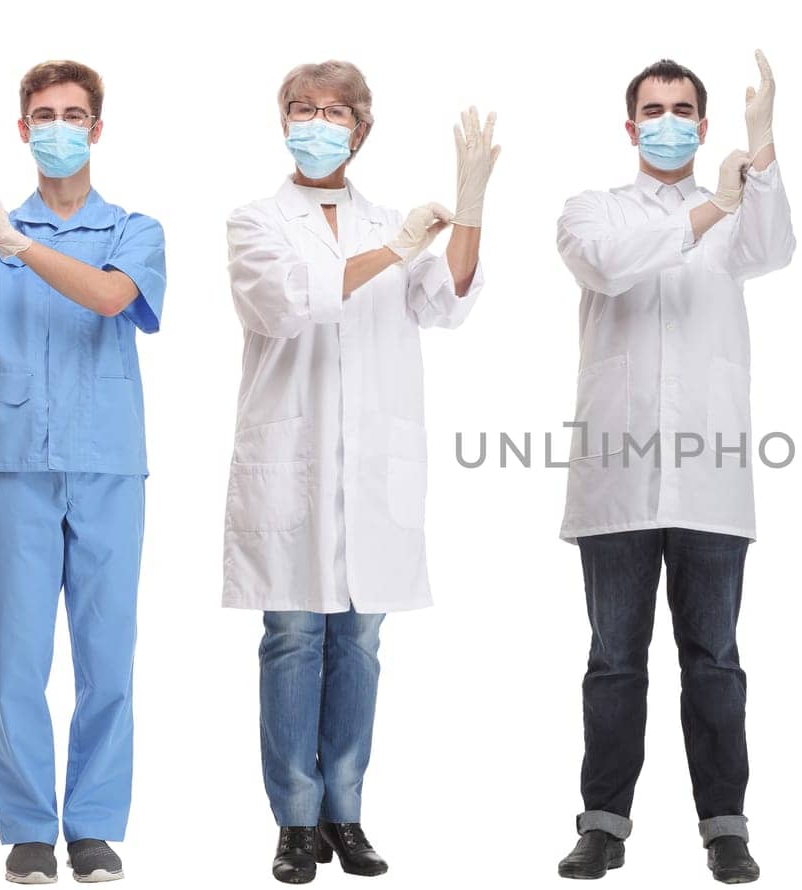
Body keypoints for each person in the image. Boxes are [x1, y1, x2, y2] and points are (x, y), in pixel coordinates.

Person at [220, 60, 497, 885]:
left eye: (333, 111)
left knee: (362, 645)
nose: (315, 121)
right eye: (301, 108)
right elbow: (286, 303)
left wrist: (470, 208)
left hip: (374, 472)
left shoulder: (386, 219)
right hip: (292, 467)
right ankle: (295, 822)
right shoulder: (255, 222)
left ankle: (346, 811)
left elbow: (445, 301)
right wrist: (400, 245)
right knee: (294, 639)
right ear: (282, 123)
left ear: (361, 129)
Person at [553, 51, 794, 885]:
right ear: (630, 126)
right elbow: (607, 265)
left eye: (683, 108)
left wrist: (761, 155)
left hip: (712, 477)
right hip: (617, 475)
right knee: (614, 660)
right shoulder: (594, 211)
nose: (668, 121)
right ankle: (603, 825)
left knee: (715, 659)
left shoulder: (738, 205)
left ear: (704, 122)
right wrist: (711, 208)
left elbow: (775, 249)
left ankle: (725, 826)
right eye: (653, 109)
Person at [0, 57, 166, 884]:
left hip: (106, 462)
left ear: (97, 130)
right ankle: (31, 826)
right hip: (14, 462)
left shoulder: (133, 229)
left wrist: (15, 241)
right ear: (23, 129)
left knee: (108, 657)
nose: (58, 128)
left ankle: (95, 825)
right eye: (43, 115)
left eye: (74, 115)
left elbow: (109, 299)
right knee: (17, 660)